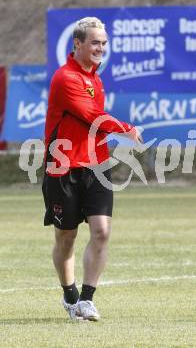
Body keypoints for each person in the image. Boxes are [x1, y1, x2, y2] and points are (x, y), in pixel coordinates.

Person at [42, 17, 142, 321]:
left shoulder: (95, 79)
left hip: (96, 166)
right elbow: (92, 116)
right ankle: (69, 294)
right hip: (64, 167)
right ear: (78, 44)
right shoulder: (66, 78)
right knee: (66, 237)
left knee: (101, 231)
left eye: (103, 43)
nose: (101, 48)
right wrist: (126, 128)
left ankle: (86, 299)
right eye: (95, 42)